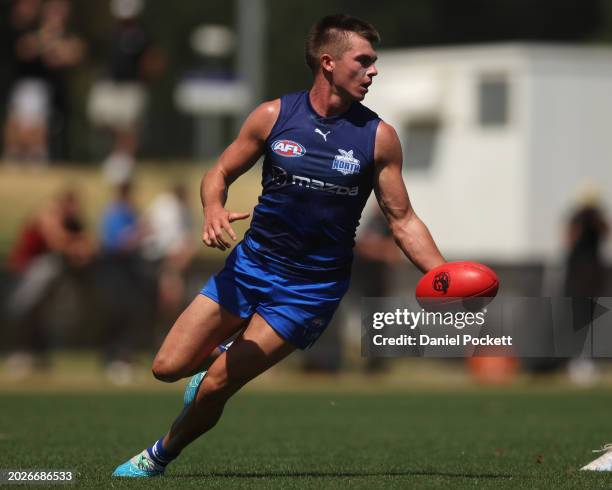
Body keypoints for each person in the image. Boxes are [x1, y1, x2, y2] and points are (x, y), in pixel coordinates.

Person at [112, 14, 445, 477]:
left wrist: (440, 274)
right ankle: (222, 354)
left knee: (214, 388)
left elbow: (402, 219)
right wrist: (212, 208)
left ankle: (157, 457)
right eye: (364, 61)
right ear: (328, 62)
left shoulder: (379, 138)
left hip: (309, 290)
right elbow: (219, 174)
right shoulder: (274, 116)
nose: (374, 71)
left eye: (375, 62)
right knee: (166, 367)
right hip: (249, 267)